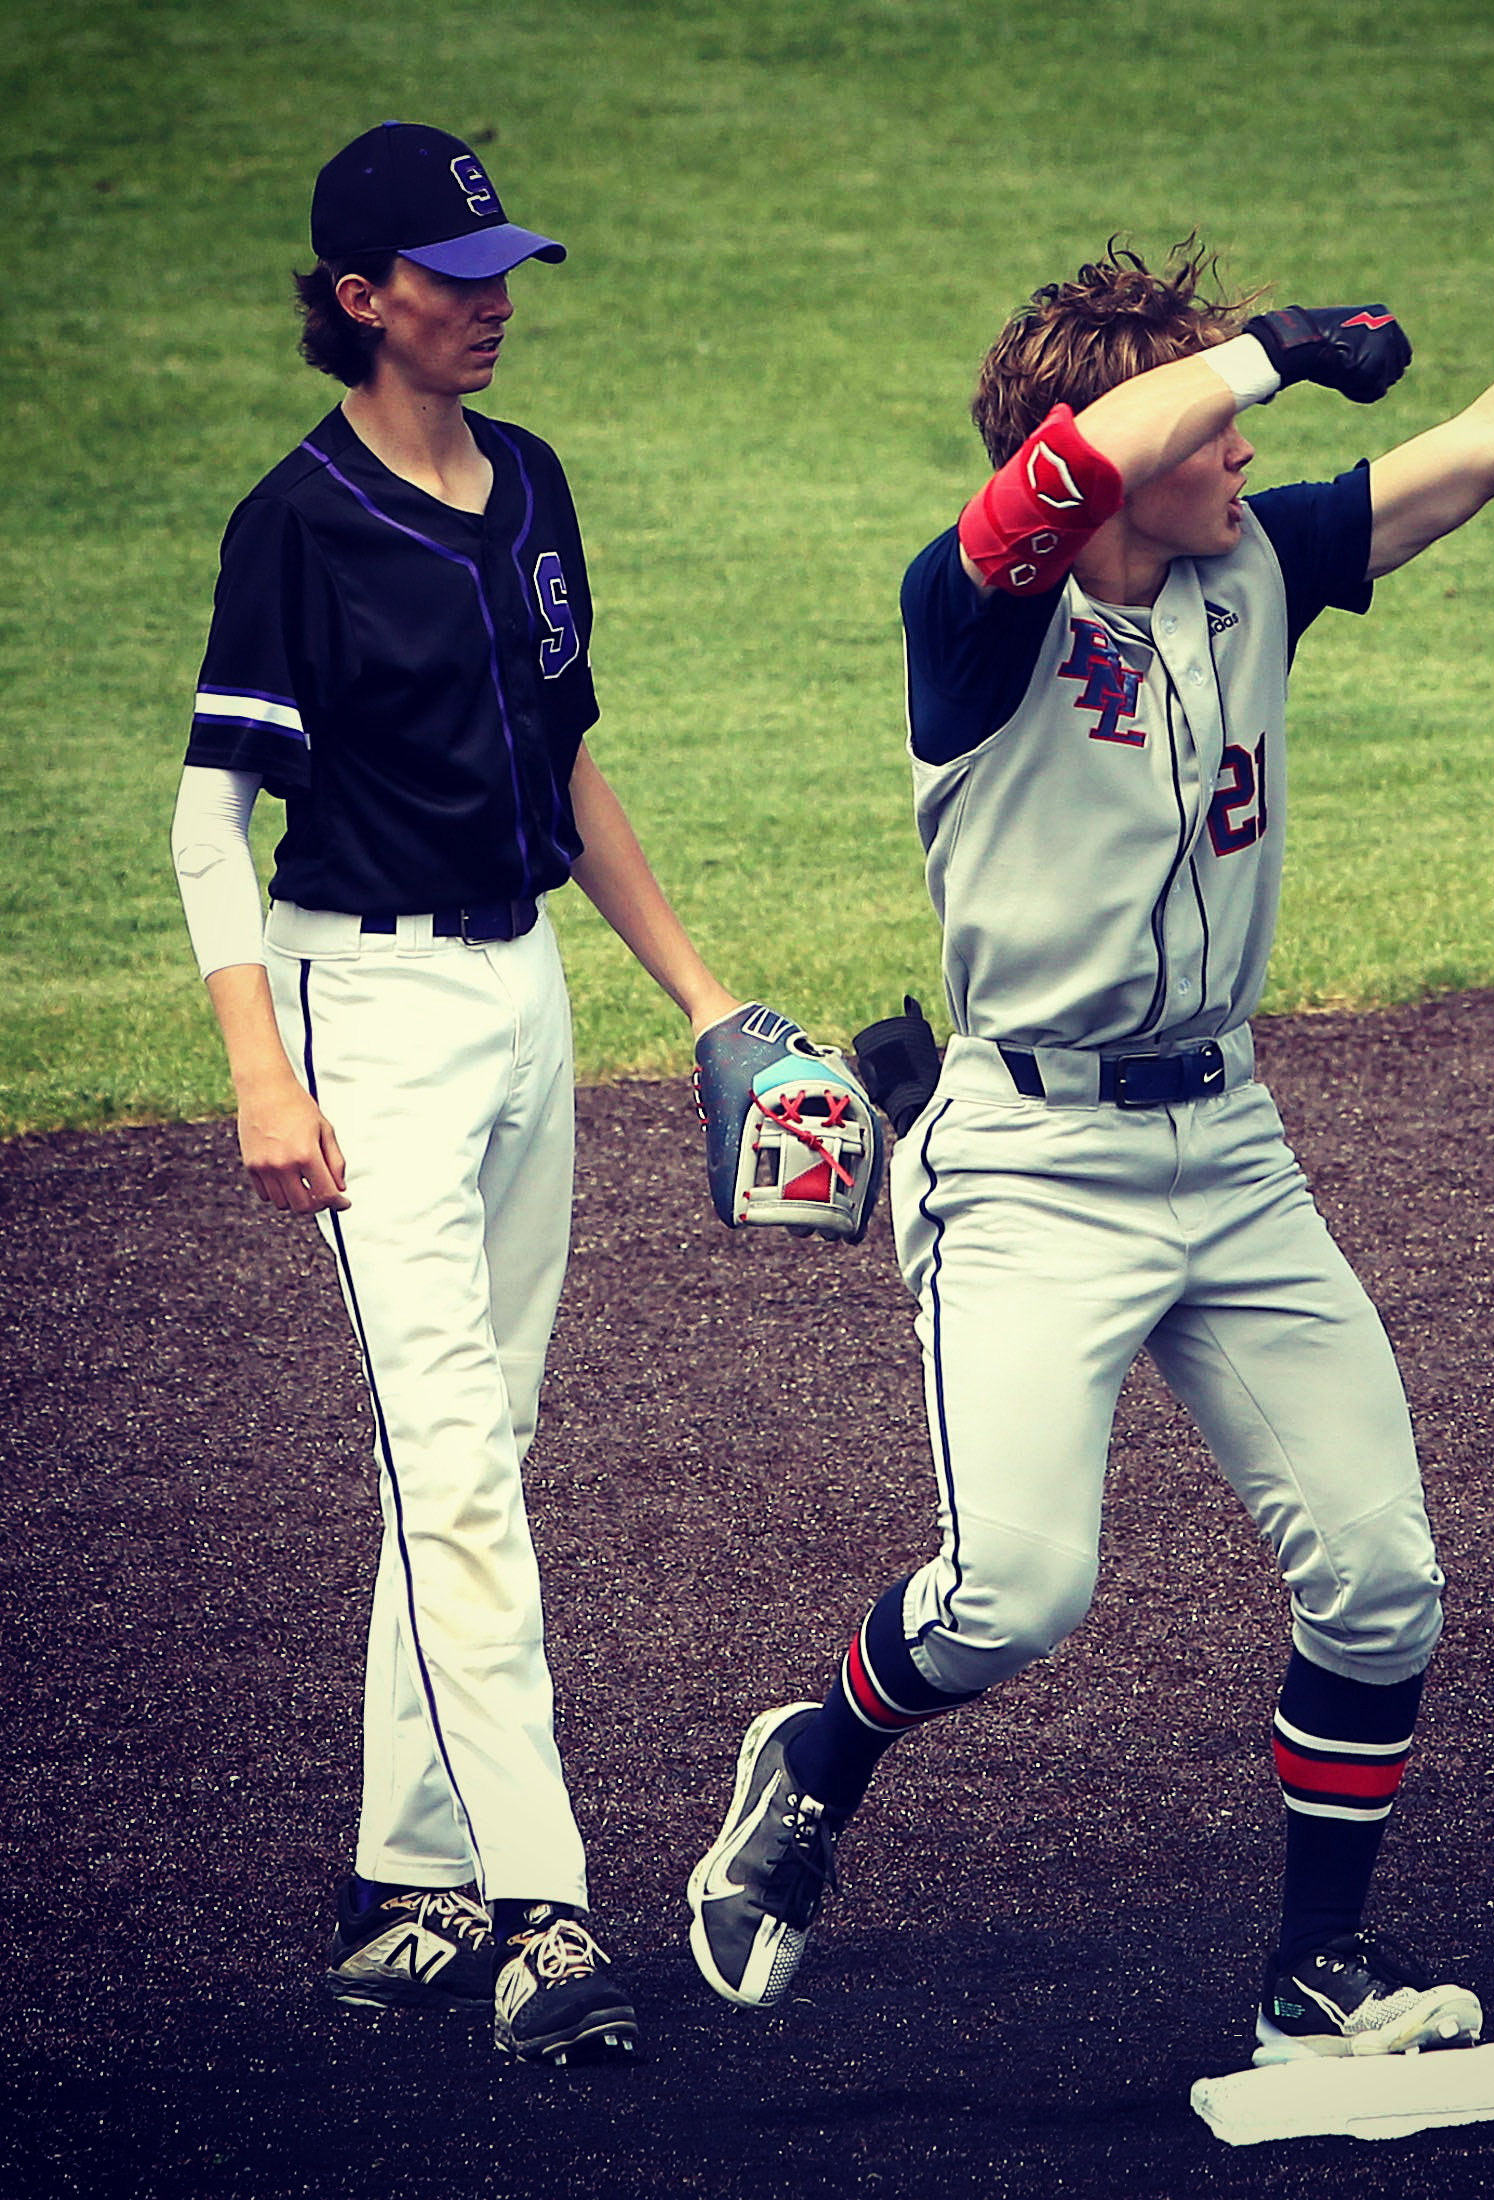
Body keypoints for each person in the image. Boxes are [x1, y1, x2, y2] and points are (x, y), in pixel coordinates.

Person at [684, 217, 1494, 2059]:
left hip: (1228, 1143)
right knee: (1018, 1593)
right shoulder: (975, 614)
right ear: (1127, 444)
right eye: (1211, 419)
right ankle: (816, 1758)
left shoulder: (1258, 565)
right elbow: (1052, 485)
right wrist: (1279, 346)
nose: (1248, 449)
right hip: (1032, 1159)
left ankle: (1318, 1972)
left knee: (1383, 1577)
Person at [171, 120, 744, 2067]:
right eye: (450, 272)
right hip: (368, 1017)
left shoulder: (534, 487)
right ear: (357, 295)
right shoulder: (298, 523)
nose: (491, 300)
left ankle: (400, 1876)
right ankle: (541, 1905)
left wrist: (703, 998)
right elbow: (205, 817)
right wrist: (260, 1067)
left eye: (502, 264)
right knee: (464, 1466)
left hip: (520, 999)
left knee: (470, 1439)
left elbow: (572, 771)